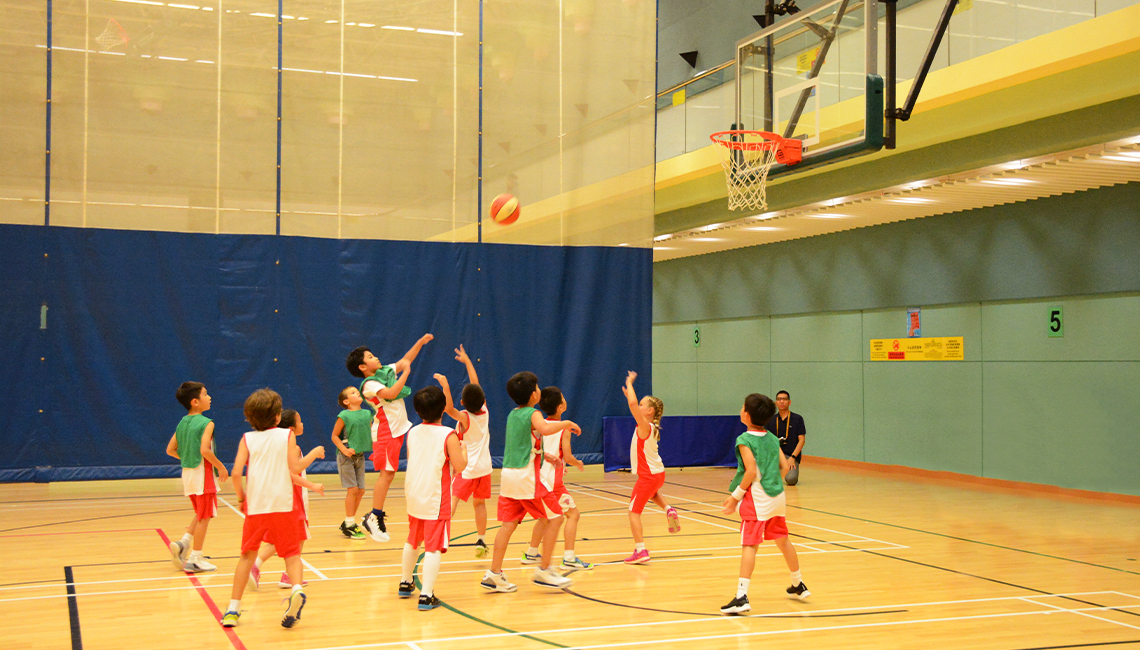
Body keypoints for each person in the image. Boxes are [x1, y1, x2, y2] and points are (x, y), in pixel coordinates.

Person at [479, 371, 580, 593]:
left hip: (508, 477)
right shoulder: (533, 414)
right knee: (555, 519)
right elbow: (544, 428)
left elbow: (526, 442)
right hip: (528, 478)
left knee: (508, 525)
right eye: (537, 387)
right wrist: (567, 423)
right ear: (534, 394)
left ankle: (494, 574)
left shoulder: (512, 414)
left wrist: (546, 454)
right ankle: (544, 570)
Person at [222, 389, 307, 629]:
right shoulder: (286, 435)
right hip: (285, 503)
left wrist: (241, 498)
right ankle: (297, 589)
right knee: (292, 555)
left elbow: (237, 473)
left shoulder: (247, 439)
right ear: (278, 417)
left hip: (257, 506)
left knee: (247, 557)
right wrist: (314, 454)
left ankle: (232, 610)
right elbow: (296, 466)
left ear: (249, 417)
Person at [720, 393, 809, 615]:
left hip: (758, 498)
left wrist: (735, 497)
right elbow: (783, 465)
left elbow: (750, 471)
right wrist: (771, 483)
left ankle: (741, 597)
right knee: (783, 541)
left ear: (747, 415)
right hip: (777, 497)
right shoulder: (770, 436)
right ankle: (798, 583)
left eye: (742, 407)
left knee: (750, 545)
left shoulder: (744, 440)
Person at [346, 333, 434, 543]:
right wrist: (406, 374)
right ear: (362, 367)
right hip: (386, 432)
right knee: (386, 474)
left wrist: (419, 342)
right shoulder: (369, 385)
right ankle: (374, 515)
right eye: (370, 357)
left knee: (390, 473)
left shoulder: (384, 370)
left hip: (397, 428)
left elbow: (405, 360)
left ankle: (375, 514)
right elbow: (392, 392)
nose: (376, 358)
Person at [399, 381, 468, 610]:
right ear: (443, 408)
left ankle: (406, 582)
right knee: (433, 547)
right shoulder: (449, 435)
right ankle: (426, 595)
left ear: (417, 411)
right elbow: (459, 467)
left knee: (412, 539)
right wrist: (464, 452)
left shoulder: (412, 431)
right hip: (435, 497)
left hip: (414, 493)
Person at [248, 409, 325, 591]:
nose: (303, 424)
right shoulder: (293, 448)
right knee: (293, 537)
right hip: (292, 498)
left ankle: (286, 575)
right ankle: (257, 565)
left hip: (282, 496)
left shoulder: (278, 445)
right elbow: (293, 473)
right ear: (291, 428)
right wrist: (313, 460)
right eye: (300, 421)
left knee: (289, 536)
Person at [522, 386, 592, 570]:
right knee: (573, 515)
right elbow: (567, 456)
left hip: (540, 478)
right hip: (553, 484)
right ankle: (569, 558)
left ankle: (531, 553)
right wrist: (576, 462)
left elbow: (542, 451)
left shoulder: (539, 424)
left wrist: (557, 461)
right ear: (561, 407)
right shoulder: (564, 428)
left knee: (544, 519)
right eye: (563, 397)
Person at [165, 382, 229, 573]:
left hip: (188, 474)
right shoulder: (207, 423)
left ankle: (183, 543)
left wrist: (187, 457)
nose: (209, 397)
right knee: (205, 516)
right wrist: (221, 467)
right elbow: (204, 450)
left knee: (201, 513)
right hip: (203, 475)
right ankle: (196, 558)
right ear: (195, 402)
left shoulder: (182, 422)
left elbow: (170, 450)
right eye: (205, 394)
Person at [621, 371, 681, 565]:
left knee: (633, 512)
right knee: (653, 494)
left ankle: (641, 550)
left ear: (649, 411)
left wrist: (630, 383)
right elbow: (633, 403)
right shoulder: (652, 426)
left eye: (642, 405)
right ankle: (668, 509)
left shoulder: (645, 425)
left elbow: (631, 404)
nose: (638, 407)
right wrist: (629, 392)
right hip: (657, 474)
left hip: (648, 476)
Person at [442, 345, 492, 558]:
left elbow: (448, 409)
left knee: (452, 501)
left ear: (463, 402)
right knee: (479, 504)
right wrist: (468, 361)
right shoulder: (485, 411)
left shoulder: (465, 417)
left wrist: (445, 386)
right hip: (485, 468)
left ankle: (442, 535)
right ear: (482, 401)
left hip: (467, 468)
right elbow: (475, 383)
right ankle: (481, 539)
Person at [330, 387, 371, 540]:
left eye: (357, 391)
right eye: (352, 393)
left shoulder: (367, 414)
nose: (357, 393)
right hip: (346, 455)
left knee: (361, 490)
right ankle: (350, 522)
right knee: (353, 489)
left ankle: (349, 522)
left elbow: (370, 432)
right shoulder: (344, 415)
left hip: (360, 455)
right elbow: (334, 436)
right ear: (346, 401)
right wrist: (344, 450)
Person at [765, 390, 806, 486]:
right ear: (776, 403)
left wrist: (793, 457)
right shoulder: (771, 419)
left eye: (784, 399)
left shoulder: (797, 419)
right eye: (779, 399)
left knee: (791, 479)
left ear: (789, 402)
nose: (782, 401)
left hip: (790, 456)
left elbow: (802, 440)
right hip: (776, 455)